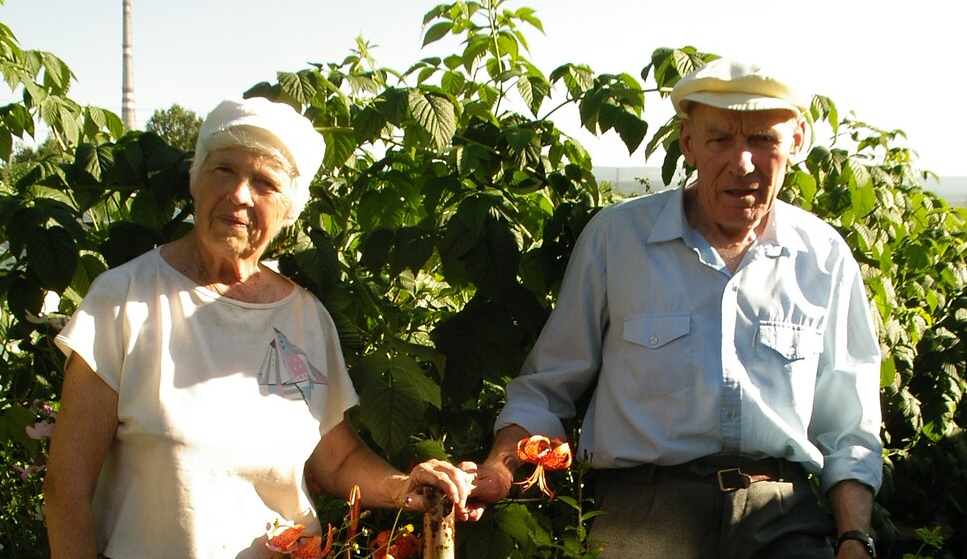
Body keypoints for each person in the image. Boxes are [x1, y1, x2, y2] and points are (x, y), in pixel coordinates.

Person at [467, 59, 883, 559]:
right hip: (643, 512)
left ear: (796, 142)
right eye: (720, 140)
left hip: (780, 516)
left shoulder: (823, 256)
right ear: (687, 142)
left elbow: (850, 429)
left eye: (764, 141)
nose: (743, 163)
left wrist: (854, 540)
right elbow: (547, 388)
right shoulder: (617, 240)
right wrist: (497, 469)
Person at [43, 96, 477, 558]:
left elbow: (338, 460)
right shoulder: (123, 301)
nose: (240, 195)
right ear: (195, 180)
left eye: (265, 183)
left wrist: (406, 485)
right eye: (224, 170)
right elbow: (65, 490)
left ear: (289, 210)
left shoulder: (305, 318)